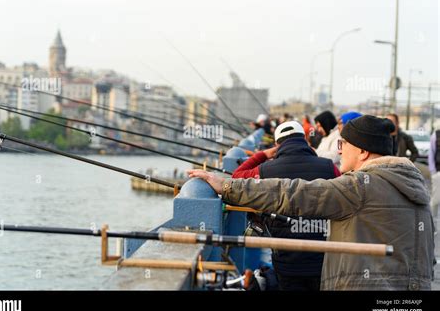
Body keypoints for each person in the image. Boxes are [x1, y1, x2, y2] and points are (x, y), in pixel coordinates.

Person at [188, 115, 435, 290]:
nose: (339, 151)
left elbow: (295, 193)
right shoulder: (416, 188)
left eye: (343, 144)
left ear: (363, 152)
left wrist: (228, 186)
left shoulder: (359, 187)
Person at [232, 121, 340, 290]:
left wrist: (263, 155)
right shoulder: (329, 167)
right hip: (323, 258)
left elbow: (236, 179)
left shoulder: (265, 170)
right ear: (304, 140)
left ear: (277, 144)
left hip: (286, 260)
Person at [428, 129, 440, 217]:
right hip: (438, 173)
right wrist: (433, 172)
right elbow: (431, 153)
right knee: (435, 202)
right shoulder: (436, 135)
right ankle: (432, 228)